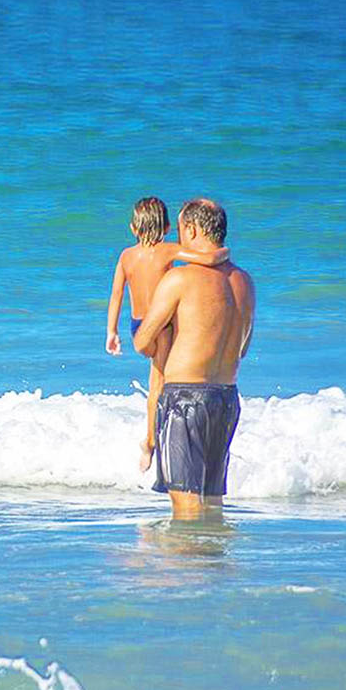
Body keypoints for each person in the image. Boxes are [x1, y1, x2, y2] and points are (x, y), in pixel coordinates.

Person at [133, 198, 254, 520]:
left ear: (192, 229)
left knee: (186, 510)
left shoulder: (180, 279)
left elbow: (143, 342)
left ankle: (182, 568)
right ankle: (210, 567)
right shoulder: (244, 282)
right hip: (226, 400)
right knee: (211, 507)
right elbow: (242, 348)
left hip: (185, 401)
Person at [105, 197, 230, 469]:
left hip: (138, 325)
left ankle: (152, 442)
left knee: (156, 381)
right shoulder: (169, 250)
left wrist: (111, 332)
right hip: (160, 326)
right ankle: (150, 441)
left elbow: (116, 295)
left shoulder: (126, 256)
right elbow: (206, 258)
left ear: (132, 228)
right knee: (157, 384)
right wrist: (225, 253)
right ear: (167, 226)